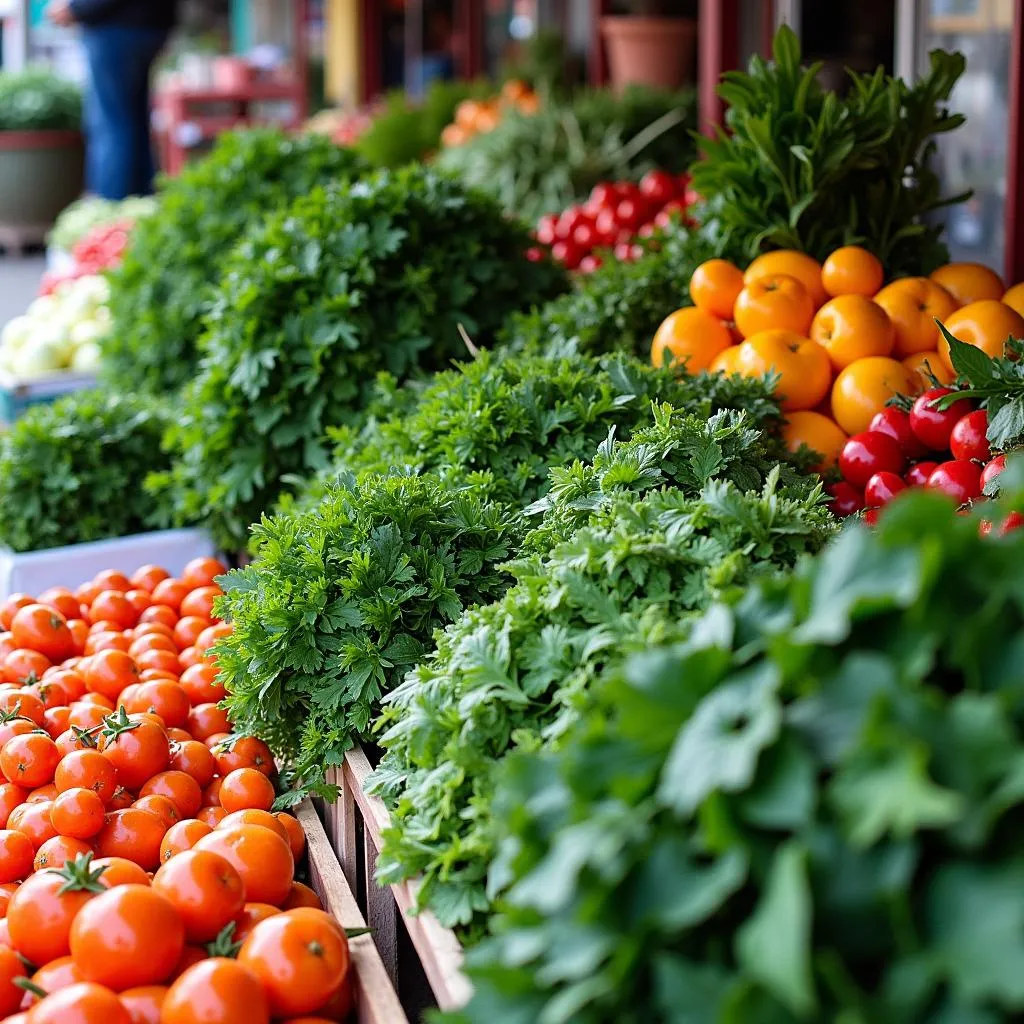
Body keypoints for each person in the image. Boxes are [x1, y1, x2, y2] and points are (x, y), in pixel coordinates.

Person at [45, 0, 178, 200]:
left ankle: (110, 211)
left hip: (113, 26)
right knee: (134, 124)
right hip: (150, 25)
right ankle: (141, 207)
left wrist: (76, 8)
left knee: (111, 126)